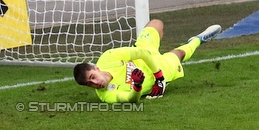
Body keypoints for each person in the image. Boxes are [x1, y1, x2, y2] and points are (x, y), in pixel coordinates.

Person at [74, 20, 221, 103]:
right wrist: (137, 86)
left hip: (146, 54)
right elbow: (129, 99)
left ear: (96, 68)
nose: (95, 83)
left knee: (156, 24)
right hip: (156, 75)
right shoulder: (106, 95)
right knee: (179, 54)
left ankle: (159, 50)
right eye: (89, 84)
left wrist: (160, 78)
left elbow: (141, 53)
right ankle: (197, 40)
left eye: (92, 77)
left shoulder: (108, 57)